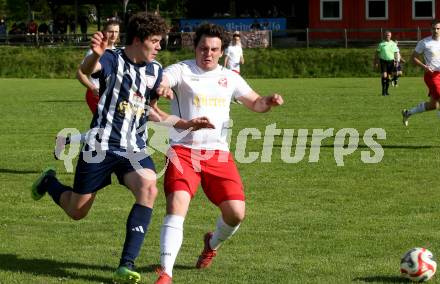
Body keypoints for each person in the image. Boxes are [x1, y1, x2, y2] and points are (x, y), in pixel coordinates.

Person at [31, 12, 172, 283]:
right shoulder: (111, 58)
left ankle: (125, 264)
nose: (159, 47)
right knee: (77, 211)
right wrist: (95, 55)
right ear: (138, 40)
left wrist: (174, 119)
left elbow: (148, 108)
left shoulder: (156, 70)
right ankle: (49, 182)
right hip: (100, 147)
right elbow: (86, 70)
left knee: (149, 188)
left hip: (134, 149)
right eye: (155, 41)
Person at [154, 23, 284, 284]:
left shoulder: (230, 77)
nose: (208, 53)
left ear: (222, 51)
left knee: (236, 213)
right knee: (176, 204)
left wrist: (268, 100)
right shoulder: (180, 70)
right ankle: (166, 273)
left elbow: (255, 102)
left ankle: (211, 244)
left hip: (217, 153)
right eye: (203, 48)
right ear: (195, 47)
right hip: (183, 151)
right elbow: (163, 82)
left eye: (214, 49)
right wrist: (163, 88)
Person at [402, 20, 440, 127]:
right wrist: (425, 67)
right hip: (432, 76)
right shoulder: (424, 42)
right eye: (434, 28)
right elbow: (413, 58)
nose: (436, 30)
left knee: (433, 105)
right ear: (430, 29)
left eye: (438, 28)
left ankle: (408, 113)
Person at [374, 30, 398, 96]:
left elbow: (396, 53)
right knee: (384, 75)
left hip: (391, 61)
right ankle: (383, 91)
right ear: (385, 36)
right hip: (383, 61)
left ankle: (386, 91)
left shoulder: (393, 44)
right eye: (386, 35)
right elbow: (377, 53)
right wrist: (376, 62)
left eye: (389, 35)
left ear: (391, 36)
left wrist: (396, 61)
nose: (387, 36)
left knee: (388, 77)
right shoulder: (381, 44)